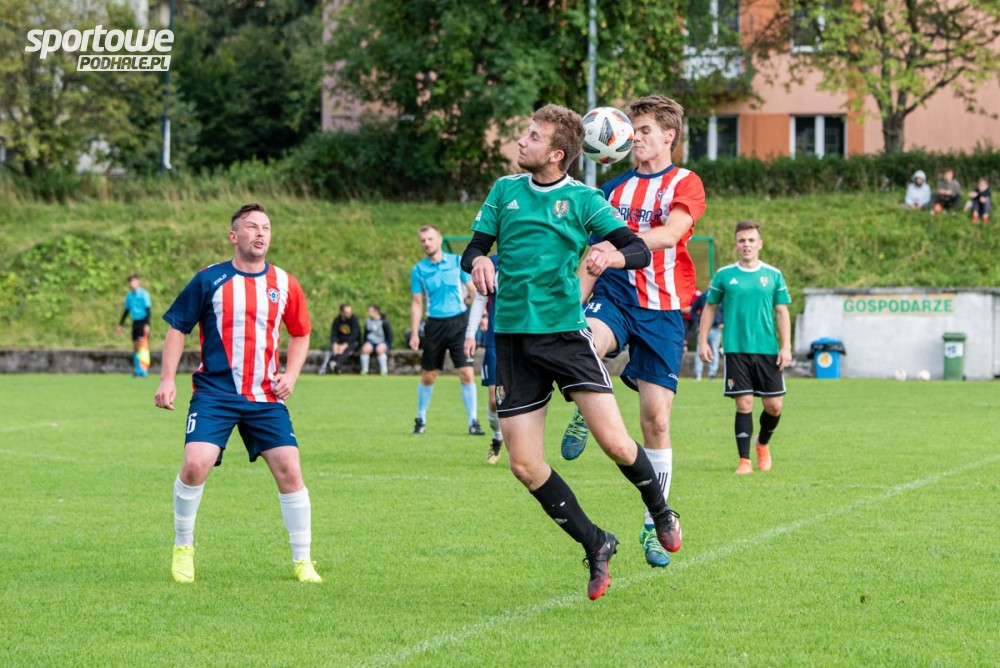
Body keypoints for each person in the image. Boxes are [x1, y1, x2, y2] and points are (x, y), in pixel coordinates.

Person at [460, 103, 681, 601]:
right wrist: (478, 264)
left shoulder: (583, 200)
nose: (522, 141)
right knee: (524, 465)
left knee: (617, 444)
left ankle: (661, 510)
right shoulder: (504, 191)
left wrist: (611, 254)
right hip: (512, 340)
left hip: (564, 336)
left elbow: (637, 249)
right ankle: (596, 542)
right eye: (526, 132)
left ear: (557, 154)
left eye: (533, 136)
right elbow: (473, 249)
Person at [558, 94, 706, 568]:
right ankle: (587, 403)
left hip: (664, 307)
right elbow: (592, 257)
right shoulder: (613, 190)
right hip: (618, 295)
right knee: (585, 341)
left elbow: (671, 233)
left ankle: (653, 521)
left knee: (656, 421)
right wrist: (570, 306)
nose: (635, 138)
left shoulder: (685, 182)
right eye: (632, 130)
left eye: (644, 131)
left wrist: (618, 247)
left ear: (669, 136)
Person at [154, 203, 322, 584]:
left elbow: (301, 332)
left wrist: (291, 375)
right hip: (215, 393)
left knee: (290, 470)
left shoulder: (285, 282)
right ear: (234, 236)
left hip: (265, 396)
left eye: (266, 227)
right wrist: (167, 379)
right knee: (195, 465)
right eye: (251, 227)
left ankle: (303, 561)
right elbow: (178, 327)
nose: (260, 233)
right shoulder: (209, 279)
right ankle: (183, 547)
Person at [698, 220, 791, 475]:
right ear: (736, 245)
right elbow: (710, 307)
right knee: (744, 403)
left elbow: (782, 311)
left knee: (774, 406)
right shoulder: (724, 275)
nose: (746, 244)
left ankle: (762, 443)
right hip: (736, 349)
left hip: (768, 350)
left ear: (760, 244)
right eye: (742, 240)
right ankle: (744, 461)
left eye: (751, 240)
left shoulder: (773, 275)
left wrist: (786, 347)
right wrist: (703, 340)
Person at [410, 225, 483, 436]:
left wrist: (484, 316)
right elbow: (417, 303)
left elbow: (472, 290)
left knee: (466, 372)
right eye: (423, 240)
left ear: (440, 239)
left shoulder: (456, 262)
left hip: (459, 323)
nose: (427, 243)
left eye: (430, 239)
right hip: (434, 325)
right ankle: (420, 418)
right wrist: (414, 333)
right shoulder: (418, 270)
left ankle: (473, 421)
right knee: (429, 375)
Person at [463, 254, 503, 465]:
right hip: (496, 339)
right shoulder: (492, 264)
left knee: (523, 397)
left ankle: (524, 448)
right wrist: (470, 335)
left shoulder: (534, 256)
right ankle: (497, 436)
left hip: (526, 338)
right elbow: (480, 299)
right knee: (494, 399)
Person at [115, 273, 152, 377]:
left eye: (134, 281)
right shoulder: (129, 296)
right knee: (135, 346)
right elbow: (126, 311)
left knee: (142, 345)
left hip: (143, 322)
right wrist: (120, 324)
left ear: (138, 282)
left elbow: (148, 310)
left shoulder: (144, 294)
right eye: (131, 282)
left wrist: (147, 324)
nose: (132, 284)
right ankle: (137, 370)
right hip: (135, 322)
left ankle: (143, 370)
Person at [691, 288, 723, 381]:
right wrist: (699, 320)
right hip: (704, 329)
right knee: (700, 350)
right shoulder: (703, 296)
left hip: (716, 328)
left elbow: (726, 310)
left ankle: (712, 374)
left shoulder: (721, 295)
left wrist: (722, 321)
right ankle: (698, 373)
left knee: (715, 351)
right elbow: (693, 310)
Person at [319, 303, 360, 375]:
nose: (349, 314)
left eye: (350, 312)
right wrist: (335, 343)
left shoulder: (354, 320)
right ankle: (326, 368)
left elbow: (355, 335)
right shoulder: (337, 320)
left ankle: (335, 363)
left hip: (351, 342)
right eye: (347, 313)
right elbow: (334, 334)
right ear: (342, 313)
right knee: (331, 349)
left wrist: (345, 345)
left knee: (346, 350)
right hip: (340, 342)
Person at [359, 304, 393, 375]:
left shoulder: (384, 322)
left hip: (382, 341)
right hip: (371, 341)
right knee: (365, 349)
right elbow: (366, 334)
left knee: (379, 350)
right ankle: (364, 370)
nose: (368, 313)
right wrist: (364, 343)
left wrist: (387, 345)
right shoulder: (368, 321)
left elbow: (390, 335)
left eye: (370, 311)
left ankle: (384, 370)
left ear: (376, 312)